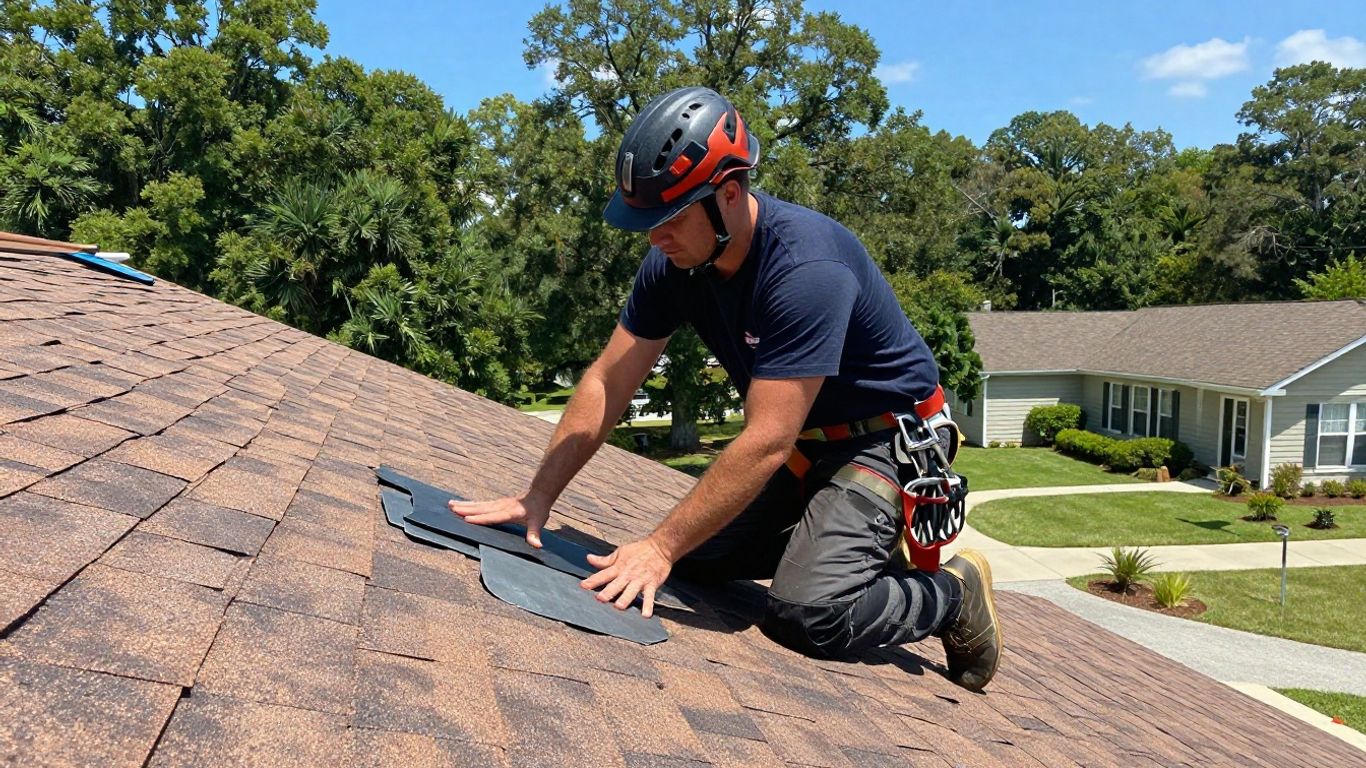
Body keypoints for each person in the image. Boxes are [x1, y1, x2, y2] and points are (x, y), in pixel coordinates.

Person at [450, 86, 1002, 690]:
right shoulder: (675, 262)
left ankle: (950, 591)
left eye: (668, 219)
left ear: (730, 194)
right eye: (644, 222)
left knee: (806, 614)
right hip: (804, 446)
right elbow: (609, 380)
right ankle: (848, 550)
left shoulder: (807, 269)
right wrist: (538, 499)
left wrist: (658, 546)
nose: (653, 238)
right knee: (696, 559)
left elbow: (766, 440)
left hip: (884, 444)